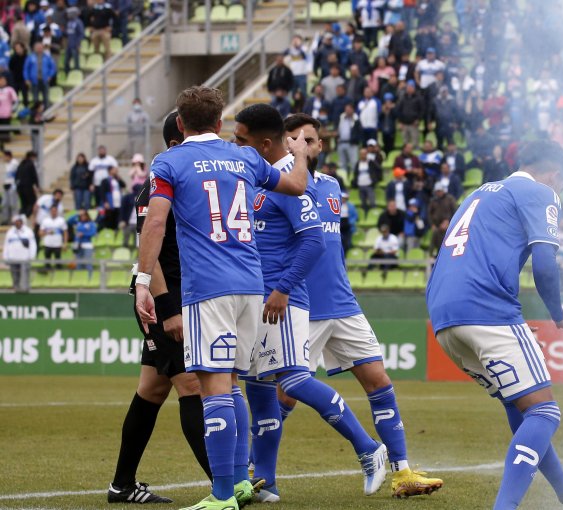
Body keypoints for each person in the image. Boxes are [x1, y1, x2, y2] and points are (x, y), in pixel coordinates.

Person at [134, 86, 309, 510]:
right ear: (219, 123)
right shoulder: (247, 157)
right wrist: (299, 149)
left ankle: (221, 495)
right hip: (251, 285)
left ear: (179, 123)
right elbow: (298, 186)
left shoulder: (169, 161)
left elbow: (155, 223)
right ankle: (240, 484)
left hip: (207, 289)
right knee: (232, 385)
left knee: (213, 387)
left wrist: (142, 280)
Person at [259, 112, 443, 499]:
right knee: (285, 394)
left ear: (320, 145)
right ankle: (262, 477)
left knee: (379, 382)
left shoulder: (331, 187)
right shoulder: (282, 184)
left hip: (342, 303)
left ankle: (402, 471)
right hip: (299, 306)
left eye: (308, 141)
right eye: (293, 140)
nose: (301, 147)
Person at [230, 105, 392, 502]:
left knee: (294, 380)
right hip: (258, 297)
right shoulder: (261, 176)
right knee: (259, 388)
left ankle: (368, 448)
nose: (236, 146)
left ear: (262, 142)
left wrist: (283, 288)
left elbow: (314, 240)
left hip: (280, 300)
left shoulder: (291, 179)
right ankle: (266, 482)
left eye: (241, 140)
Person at [426, 140, 563, 510]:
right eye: (562, 186)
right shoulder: (540, 191)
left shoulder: (478, 194)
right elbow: (545, 262)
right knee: (545, 412)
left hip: (443, 316)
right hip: (487, 307)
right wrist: (558, 313)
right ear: (555, 175)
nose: (560, 194)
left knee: (520, 406)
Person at [108, 112, 212, 505]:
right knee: (193, 385)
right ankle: (227, 485)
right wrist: (167, 306)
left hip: (166, 296)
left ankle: (121, 484)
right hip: (163, 299)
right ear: (175, 142)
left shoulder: (168, 182)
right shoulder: (159, 185)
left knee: (151, 390)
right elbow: (151, 252)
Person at [3, 214, 37, 291]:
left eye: (19, 221)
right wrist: (6, 257)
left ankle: (25, 291)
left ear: (22, 222)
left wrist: (32, 256)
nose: (17, 223)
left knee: (25, 277)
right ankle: (16, 290)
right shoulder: (10, 232)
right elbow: (6, 245)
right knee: (15, 277)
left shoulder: (28, 231)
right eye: (16, 221)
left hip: (24, 258)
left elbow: (33, 245)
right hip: (13, 258)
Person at [23, 40, 56, 108]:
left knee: (46, 98)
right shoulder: (30, 57)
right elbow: (26, 69)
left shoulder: (47, 57)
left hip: (44, 80)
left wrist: (50, 76)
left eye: (40, 48)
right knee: (35, 99)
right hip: (34, 81)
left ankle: (47, 113)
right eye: (37, 48)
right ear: (34, 48)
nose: (39, 49)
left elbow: (53, 67)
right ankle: (36, 115)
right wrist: (26, 79)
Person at [427, 181, 456, 254]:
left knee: (444, 243)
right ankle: (431, 258)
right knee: (433, 241)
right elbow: (429, 214)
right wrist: (432, 224)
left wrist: (448, 221)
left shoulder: (450, 199)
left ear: (443, 190)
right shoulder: (433, 201)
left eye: (439, 191)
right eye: (436, 191)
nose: (438, 193)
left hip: (449, 226)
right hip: (437, 226)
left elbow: (455, 212)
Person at [351, 146, 381, 216]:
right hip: (361, 185)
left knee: (372, 202)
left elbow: (379, 169)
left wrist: (376, 180)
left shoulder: (371, 162)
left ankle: (374, 216)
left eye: (364, 154)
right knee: (363, 204)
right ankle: (365, 216)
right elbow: (356, 174)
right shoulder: (358, 163)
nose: (363, 155)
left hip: (369, 185)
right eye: (361, 154)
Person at [39, 204, 66, 269]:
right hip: (47, 244)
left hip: (57, 244)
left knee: (58, 263)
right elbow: (40, 233)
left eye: (55, 211)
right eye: (52, 211)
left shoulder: (61, 220)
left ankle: (59, 277)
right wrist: (47, 232)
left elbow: (65, 232)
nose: (53, 212)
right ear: (50, 211)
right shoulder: (45, 220)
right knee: (47, 263)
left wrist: (65, 243)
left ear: (57, 211)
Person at [100, 165, 125, 230]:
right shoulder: (105, 180)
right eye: (114, 169)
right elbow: (102, 192)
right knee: (110, 215)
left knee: (117, 215)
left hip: (117, 200)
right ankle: (109, 229)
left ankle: (116, 229)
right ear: (110, 171)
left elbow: (124, 185)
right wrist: (105, 202)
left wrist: (119, 178)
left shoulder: (117, 179)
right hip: (110, 200)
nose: (116, 171)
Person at [15, 151, 39, 217]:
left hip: (20, 187)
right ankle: (26, 215)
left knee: (23, 203)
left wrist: (17, 187)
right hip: (28, 187)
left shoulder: (21, 164)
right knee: (32, 201)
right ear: (32, 157)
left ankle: (20, 216)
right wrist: (37, 186)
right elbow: (34, 176)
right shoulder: (31, 164)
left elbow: (16, 176)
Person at [73, 208, 96, 275]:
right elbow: (69, 221)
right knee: (79, 263)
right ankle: (79, 279)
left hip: (87, 244)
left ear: (87, 216)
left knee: (88, 263)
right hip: (78, 245)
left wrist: (84, 234)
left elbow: (93, 233)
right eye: (81, 215)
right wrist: (77, 214)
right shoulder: (78, 223)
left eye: (84, 215)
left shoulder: (91, 223)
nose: (82, 217)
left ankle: (90, 279)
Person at [64, 6, 84, 73]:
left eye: (69, 13)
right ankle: (67, 75)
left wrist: (78, 44)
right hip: (69, 45)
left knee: (76, 63)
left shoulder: (78, 22)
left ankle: (77, 75)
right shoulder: (69, 22)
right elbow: (67, 34)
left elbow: (81, 34)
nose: (68, 14)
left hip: (75, 45)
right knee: (66, 62)